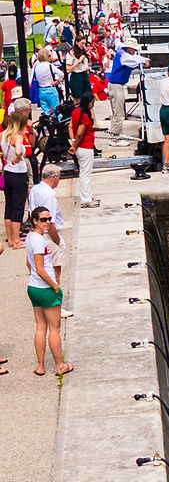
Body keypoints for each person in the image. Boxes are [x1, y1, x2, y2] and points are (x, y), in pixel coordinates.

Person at [25, 206, 74, 377]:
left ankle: (40, 366)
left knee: (40, 326)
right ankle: (60, 366)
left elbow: (28, 264)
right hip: (45, 289)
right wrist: (54, 286)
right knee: (54, 329)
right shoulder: (39, 240)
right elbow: (39, 268)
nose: (47, 222)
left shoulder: (30, 237)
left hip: (33, 288)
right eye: (43, 219)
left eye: (49, 219)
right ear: (35, 221)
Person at [27, 165, 71, 318]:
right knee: (54, 271)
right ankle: (55, 305)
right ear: (55, 178)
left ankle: (46, 301)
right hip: (48, 235)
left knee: (40, 268)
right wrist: (57, 239)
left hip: (36, 231)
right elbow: (49, 221)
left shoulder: (35, 189)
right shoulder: (49, 195)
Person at [106, 37, 148, 137]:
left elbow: (134, 59)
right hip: (116, 86)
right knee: (119, 113)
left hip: (116, 85)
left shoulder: (123, 53)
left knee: (117, 112)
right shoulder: (123, 55)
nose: (135, 51)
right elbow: (131, 61)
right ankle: (116, 138)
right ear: (129, 48)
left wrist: (143, 59)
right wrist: (142, 61)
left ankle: (116, 134)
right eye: (134, 49)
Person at [1, 109, 30, 250]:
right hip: (18, 173)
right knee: (18, 207)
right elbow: (19, 151)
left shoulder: (3, 135)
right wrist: (18, 158)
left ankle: (10, 239)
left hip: (7, 173)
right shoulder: (17, 137)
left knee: (9, 206)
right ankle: (17, 240)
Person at [68, 92, 99, 208]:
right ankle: (85, 199)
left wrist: (72, 140)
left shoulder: (76, 112)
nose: (93, 106)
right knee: (85, 174)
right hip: (85, 147)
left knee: (85, 173)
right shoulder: (84, 116)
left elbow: (70, 126)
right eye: (92, 103)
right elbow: (80, 133)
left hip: (81, 147)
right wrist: (74, 145)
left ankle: (88, 195)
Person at [32, 48, 64, 117]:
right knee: (56, 110)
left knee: (45, 111)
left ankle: (45, 126)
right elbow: (61, 74)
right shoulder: (49, 65)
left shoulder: (36, 66)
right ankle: (59, 124)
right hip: (50, 89)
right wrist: (57, 81)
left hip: (41, 89)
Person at [66, 35, 91, 104]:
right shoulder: (71, 53)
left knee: (88, 98)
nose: (83, 45)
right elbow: (68, 69)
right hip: (77, 76)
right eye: (82, 43)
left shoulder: (83, 51)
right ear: (77, 42)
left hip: (85, 75)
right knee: (77, 99)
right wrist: (78, 61)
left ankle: (89, 114)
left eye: (84, 44)